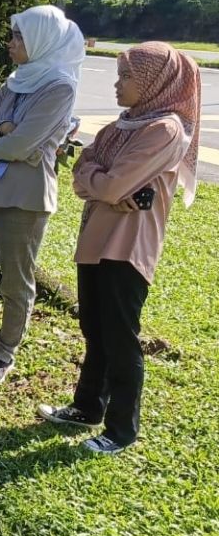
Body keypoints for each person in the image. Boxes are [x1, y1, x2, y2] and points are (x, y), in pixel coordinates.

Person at [39, 42, 200, 455]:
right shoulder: (124, 125)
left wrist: (99, 181)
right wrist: (99, 180)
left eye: (127, 76)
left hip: (128, 247)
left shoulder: (164, 129)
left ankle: (122, 429)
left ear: (154, 81)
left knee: (120, 338)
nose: (117, 84)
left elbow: (109, 184)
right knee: (94, 329)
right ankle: (87, 407)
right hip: (97, 240)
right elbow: (84, 172)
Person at [0, 5, 83, 386]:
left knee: (16, 281)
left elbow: (22, 145)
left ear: (40, 40)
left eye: (18, 36)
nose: (10, 43)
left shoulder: (60, 86)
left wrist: (0, 140)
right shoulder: (17, 80)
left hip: (25, 198)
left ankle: (3, 353)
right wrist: (4, 129)